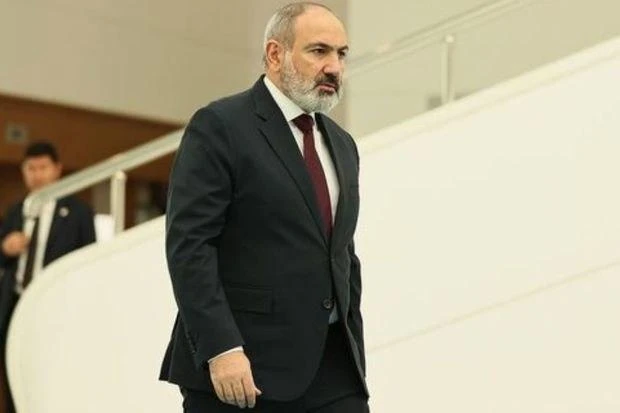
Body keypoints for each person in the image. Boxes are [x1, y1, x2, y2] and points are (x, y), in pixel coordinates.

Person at [160, 2, 368, 412]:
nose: (334, 67)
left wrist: (354, 349)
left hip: (333, 370)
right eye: (319, 51)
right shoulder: (220, 126)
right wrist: (221, 348)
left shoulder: (343, 145)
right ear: (275, 54)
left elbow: (342, 253)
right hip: (244, 371)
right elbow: (190, 247)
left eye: (341, 54)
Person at [0, 141, 96, 412]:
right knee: (14, 373)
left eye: (43, 167)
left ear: (57, 169)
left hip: (56, 304)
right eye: (31, 168)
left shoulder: (78, 212)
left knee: (52, 373)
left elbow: (88, 259)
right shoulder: (15, 211)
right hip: (15, 303)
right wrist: (5, 248)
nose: (37, 174)